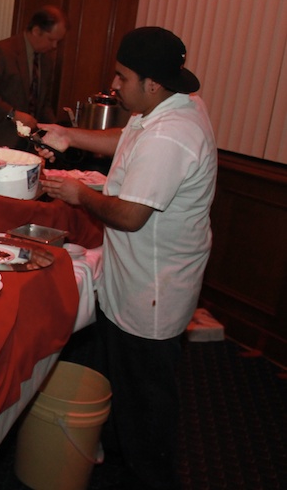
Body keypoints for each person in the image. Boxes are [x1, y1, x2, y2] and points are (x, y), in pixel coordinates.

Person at [39, 27, 217, 489]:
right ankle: (116, 463)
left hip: (152, 291)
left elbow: (130, 215)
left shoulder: (172, 134)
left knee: (146, 408)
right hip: (130, 280)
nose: (114, 85)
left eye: (122, 77)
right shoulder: (166, 105)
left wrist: (79, 194)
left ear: (152, 83)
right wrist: (66, 134)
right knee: (122, 392)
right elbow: (125, 138)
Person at [0, 5, 67, 151]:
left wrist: (56, 130)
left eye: (58, 41)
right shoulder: (2, 51)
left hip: (26, 146)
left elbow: (43, 103)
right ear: (36, 31)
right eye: (51, 39)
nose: (54, 46)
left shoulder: (46, 61)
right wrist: (13, 115)